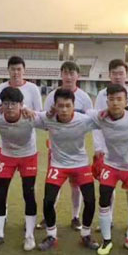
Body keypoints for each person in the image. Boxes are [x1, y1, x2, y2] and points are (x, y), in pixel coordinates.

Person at [35, 88, 100, 251]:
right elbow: (29, 116)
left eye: (67, 106)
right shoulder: (47, 118)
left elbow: (104, 119)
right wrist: (25, 110)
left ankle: (86, 235)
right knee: (48, 201)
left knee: (90, 200)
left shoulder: (84, 120)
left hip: (80, 164)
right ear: (54, 106)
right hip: (58, 165)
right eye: (60, 106)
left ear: (73, 106)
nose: (64, 110)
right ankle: (51, 235)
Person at [88, 83, 128, 255]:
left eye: (119, 99)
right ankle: (106, 240)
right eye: (112, 99)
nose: (115, 103)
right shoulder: (100, 117)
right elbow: (83, 113)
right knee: (104, 199)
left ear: (126, 101)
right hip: (111, 166)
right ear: (107, 101)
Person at [0, 87, 39, 251]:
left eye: (14, 104)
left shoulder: (30, 118)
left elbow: (52, 119)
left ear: (21, 105)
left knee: (28, 193)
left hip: (28, 156)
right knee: (1, 193)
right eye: (6, 103)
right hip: (7, 156)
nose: (10, 107)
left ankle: (29, 235)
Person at [92, 59, 128, 232]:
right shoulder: (102, 95)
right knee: (107, 186)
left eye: (121, 73)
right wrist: (99, 147)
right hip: (108, 149)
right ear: (109, 75)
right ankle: (108, 219)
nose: (118, 76)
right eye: (114, 73)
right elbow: (98, 121)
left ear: (126, 75)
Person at [40, 61, 93, 231]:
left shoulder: (84, 98)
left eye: (72, 73)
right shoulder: (52, 96)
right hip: (56, 150)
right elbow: (46, 121)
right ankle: (49, 216)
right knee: (53, 185)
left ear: (78, 76)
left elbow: (90, 120)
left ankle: (75, 216)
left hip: (76, 150)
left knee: (75, 185)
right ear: (61, 75)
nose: (69, 77)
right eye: (65, 73)